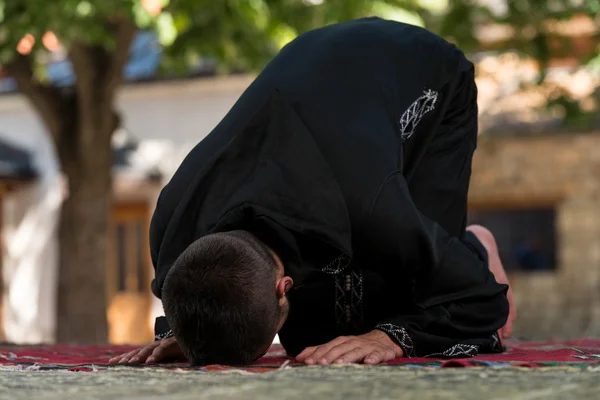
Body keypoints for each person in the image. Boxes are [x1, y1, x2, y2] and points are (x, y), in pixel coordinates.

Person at [110, 17, 516, 366]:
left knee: (404, 299)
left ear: (284, 287)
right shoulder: (173, 224)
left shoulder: (371, 208)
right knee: (313, 341)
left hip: (422, 73)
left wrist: (386, 339)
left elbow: (480, 301)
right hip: (327, 101)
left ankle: (474, 246)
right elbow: (210, 304)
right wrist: (197, 334)